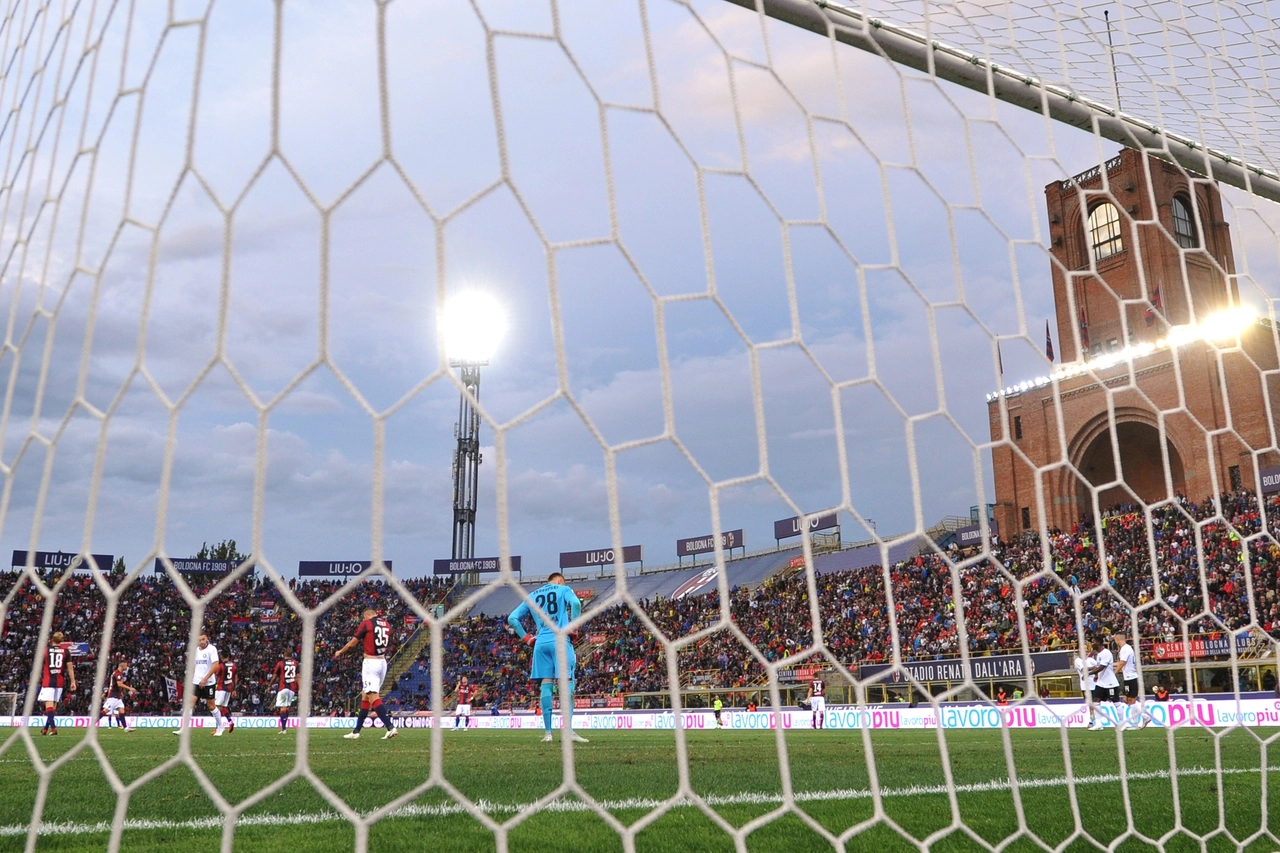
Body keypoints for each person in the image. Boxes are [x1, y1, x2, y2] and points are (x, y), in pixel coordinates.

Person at [507, 572, 587, 744]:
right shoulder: (563, 589)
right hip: (560, 640)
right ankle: (568, 731)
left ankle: (548, 733)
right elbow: (575, 603)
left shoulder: (532, 595)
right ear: (559, 580)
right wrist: (574, 626)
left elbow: (512, 619)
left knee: (546, 684)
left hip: (541, 644)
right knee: (567, 684)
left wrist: (527, 638)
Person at [333, 609, 397, 740]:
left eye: (363, 618)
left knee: (373, 696)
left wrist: (340, 651)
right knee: (365, 695)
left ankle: (390, 727)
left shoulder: (367, 623)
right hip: (382, 662)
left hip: (371, 662)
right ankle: (356, 731)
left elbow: (353, 643)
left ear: (366, 616)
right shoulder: (386, 623)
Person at [173, 632, 227, 736]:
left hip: (209, 682)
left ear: (207, 639)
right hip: (196, 681)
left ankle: (221, 727)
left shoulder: (212, 649)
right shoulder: (195, 651)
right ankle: (184, 729)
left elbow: (215, 665)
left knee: (211, 706)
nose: (201, 642)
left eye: (203, 639)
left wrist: (205, 679)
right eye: (199, 640)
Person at [38, 631, 76, 736]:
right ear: (62, 641)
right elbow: (70, 668)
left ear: (52, 640)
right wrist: (73, 681)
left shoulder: (45, 651)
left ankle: (54, 729)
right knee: (53, 707)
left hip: (48, 681)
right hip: (59, 681)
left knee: (49, 706)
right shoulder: (66, 652)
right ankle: (45, 729)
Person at [1114, 634, 1152, 730]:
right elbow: (1122, 662)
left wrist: (1114, 674)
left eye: (1115, 639)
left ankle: (1142, 719)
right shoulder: (1126, 649)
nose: (1115, 642)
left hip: (1131, 678)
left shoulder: (1125, 649)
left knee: (1131, 700)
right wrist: (1110, 663)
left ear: (1118, 639)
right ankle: (1139, 721)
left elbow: (1122, 663)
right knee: (1127, 700)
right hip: (1128, 678)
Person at [1089, 637, 1120, 729]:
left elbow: (1102, 667)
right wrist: (1096, 676)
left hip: (1110, 683)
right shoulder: (1099, 654)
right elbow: (1099, 667)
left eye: (1093, 641)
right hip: (1101, 683)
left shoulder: (1106, 653)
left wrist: (1089, 674)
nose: (1092, 643)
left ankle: (1122, 723)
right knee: (1096, 700)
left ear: (1098, 642)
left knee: (1116, 702)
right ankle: (1099, 724)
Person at [103, 661, 136, 731]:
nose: (127, 667)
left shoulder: (117, 673)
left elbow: (113, 685)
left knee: (121, 710)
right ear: (122, 665)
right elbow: (119, 684)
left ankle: (125, 728)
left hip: (117, 697)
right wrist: (130, 688)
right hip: (113, 696)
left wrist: (120, 693)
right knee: (105, 711)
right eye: (126, 665)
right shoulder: (117, 674)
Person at [1073, 641, 1099, 730]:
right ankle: (1093, 722)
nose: (1086, 650)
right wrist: (1093, 669)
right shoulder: (1078, 660)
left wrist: (1096, 675)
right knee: (1091, 705)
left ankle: (1094, 722)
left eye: (1086, 648)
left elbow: (1099, 668)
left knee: (1095, 704)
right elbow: (1083, 669)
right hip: (1086, 687)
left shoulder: (1091, 660)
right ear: (1079, 650)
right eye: (1084, 648)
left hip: (1095, 685)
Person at [272, 655, 300, 734]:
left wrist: (270, 684)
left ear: (285, 655)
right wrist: (300, 688)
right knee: (287, 707)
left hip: (283, 688)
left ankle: (283, 729)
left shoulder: (281, 663)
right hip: (292, 689)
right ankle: (284, 728)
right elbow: (298, 676)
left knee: (283, 708)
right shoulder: (295, 663)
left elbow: (275, 675)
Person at [217, 655, 238, 734]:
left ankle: (218, 727)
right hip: (229, 689)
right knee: (222, 707)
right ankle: (230, 721)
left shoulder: (221, 666)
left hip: (221, 688)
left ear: (222, 656)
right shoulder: (233, 666)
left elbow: (217, 675)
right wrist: (234, 689)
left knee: (217, 707)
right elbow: (235, 678)